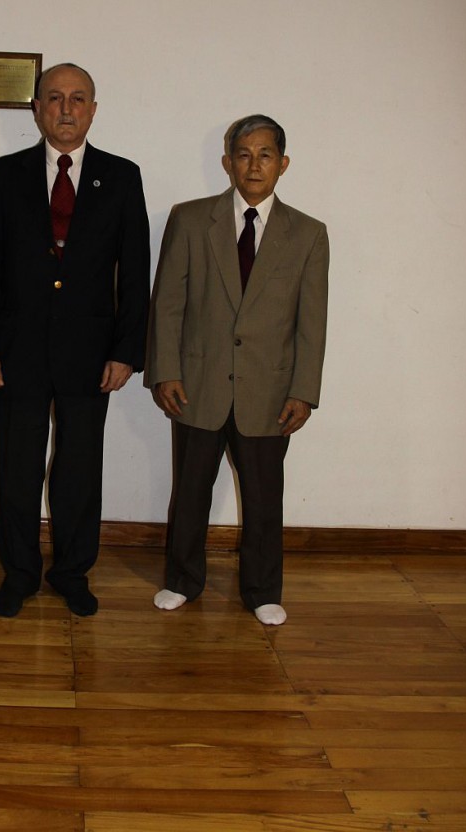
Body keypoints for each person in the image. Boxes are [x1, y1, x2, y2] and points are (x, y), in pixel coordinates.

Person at [0, 63, 150, 618]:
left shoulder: (121, 176)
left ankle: (72, 572)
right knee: (16, 468)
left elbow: (135, 272)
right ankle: (18, 573)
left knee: (79, 471)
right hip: (15, 352)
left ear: (93, 108)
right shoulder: (5, 173)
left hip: (92, 356)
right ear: (37, 109)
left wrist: (127, 351)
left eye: (78, 98)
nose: (66, 109)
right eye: (54, 98)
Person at [146, 114, 328, 626]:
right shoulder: (190, 219)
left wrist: (304, 391)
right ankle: (182, 579)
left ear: (283, 164)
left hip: (270, 392)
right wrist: (165, 370)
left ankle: (263, 589)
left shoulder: (309, 235)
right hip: (197, 384)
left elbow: (312, 322)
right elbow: (168, 304)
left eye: (265, 155)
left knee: (265, 498)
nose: (253, 165)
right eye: (243, 154)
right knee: (190, 493)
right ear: (227, 162)